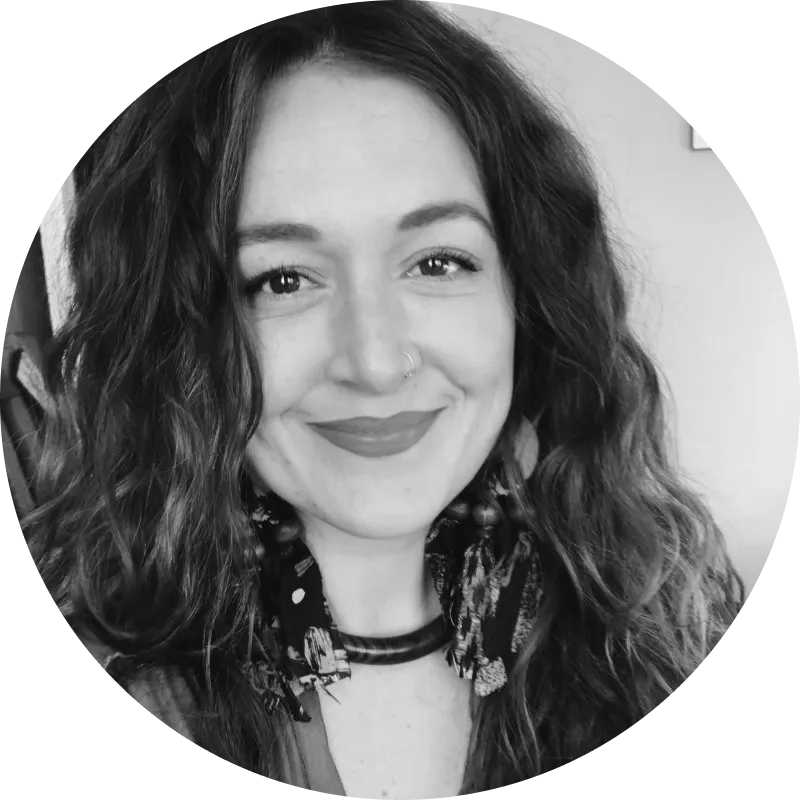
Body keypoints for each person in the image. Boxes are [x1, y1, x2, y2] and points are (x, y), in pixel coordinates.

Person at [20, 1, 745, 796]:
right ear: (181, 337)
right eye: (283, 279)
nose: (374, 362)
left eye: (437, 262)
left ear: (527, 300)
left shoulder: (666, 625)